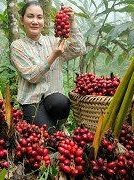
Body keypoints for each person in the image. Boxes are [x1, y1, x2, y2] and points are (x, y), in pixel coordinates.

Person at [10, 1, 86, 133]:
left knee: (61, 101)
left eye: (39, 17)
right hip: (31, 102)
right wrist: (53, 55)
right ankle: (53, 129)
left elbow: (79, 49)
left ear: (44, 21)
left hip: (52, 99)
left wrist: (71, 21)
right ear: (22, 20)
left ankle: (58, 125)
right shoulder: (18, 46)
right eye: (30, 16)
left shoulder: (54, 41)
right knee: (48, 136)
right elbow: (31, 76)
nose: (35, 21)